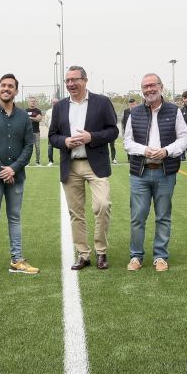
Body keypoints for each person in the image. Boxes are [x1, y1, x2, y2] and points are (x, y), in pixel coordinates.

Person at [51, 66, 119, 270]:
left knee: (102, 205)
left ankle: (101, 251)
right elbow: (53, 136)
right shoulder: (60, 107)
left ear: (85, 80)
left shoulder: (102, 102)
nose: (71, 84)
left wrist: (92, 137)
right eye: (68, 80)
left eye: (75, 80)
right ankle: (83, 254)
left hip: (95, 164)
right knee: (76, 213)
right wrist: (65, 141)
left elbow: (113, 131)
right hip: (70, 165)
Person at [123, 73, 187, 271]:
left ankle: (160, 256)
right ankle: (136, 256)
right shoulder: (134, 112)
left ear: (161, 87)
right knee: (138, 217)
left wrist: (167, 151)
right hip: (140, 173)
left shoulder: (174, 111)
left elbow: (184, 139)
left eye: (153, 85)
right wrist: (144, 150)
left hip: (165, 172)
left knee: (163, 216)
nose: (149, 89)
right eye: (145, 86)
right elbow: (127, 142)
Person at [0, 74, 39, 278]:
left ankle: (17, 260)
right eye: (3, 85)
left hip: (16, 176)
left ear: (16, 91)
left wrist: (14, 169)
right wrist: (3, 170)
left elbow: (29, 146)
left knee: (15, 218)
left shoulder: (23, 117)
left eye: (10, 86)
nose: (6, 88)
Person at [26, 97, 44, 166]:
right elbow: (25, 120)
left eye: (34, 101)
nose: (33, 102)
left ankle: (37, 161)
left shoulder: (38, 111)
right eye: (31, 101)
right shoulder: (25, 111)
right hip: (28, 132)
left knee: (37, 147)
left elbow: (39, 119)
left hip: (36, 132)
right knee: (29, 148)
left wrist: (30, 118)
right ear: (28, 102)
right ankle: (27, 162)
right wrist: (35, 118)